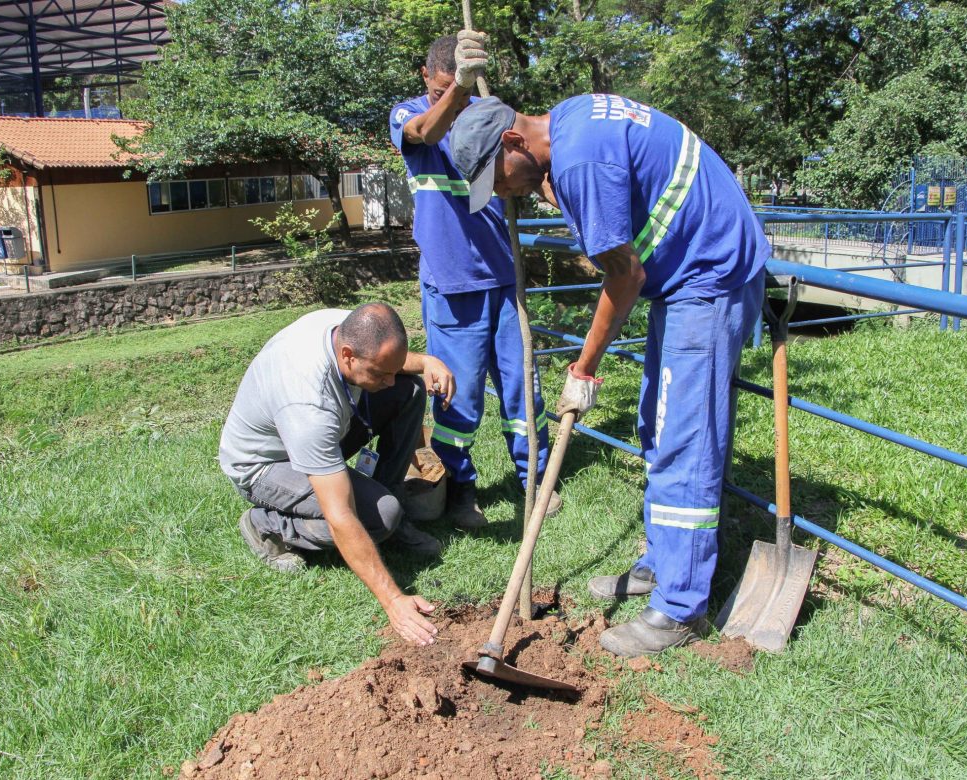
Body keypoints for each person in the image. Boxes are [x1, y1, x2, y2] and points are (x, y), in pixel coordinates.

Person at [450, 94, 769, 657]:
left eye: (497, 181)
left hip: (708, 274)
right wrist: (541, 186)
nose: (502, 194)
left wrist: (583, 369)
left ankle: (680, 607)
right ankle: (663, 563)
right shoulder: (568, 124)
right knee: (657, 421)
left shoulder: (580, 165)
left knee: (683, 439)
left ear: (511, 142)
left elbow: (624, 278)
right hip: (687, 272)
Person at [389, 32, 560, 529]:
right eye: (441, 88)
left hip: (505, 281)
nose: (450, 98)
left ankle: (536, 478)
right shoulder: (409, 116)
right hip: (451, 285)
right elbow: (424, 131)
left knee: (521, 387)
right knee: (457, 395)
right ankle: (461, 491)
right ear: (427, 78)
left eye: (456, 88)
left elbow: (532, 170)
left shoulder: (486, 116)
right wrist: (458, 90)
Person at [218, 302, 456, 646]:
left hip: (324, 430)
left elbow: (389, 361)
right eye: (380, 373)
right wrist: (394, 601)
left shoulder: (343, 327)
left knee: (410, 390)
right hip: (268, 465)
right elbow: (340, 514)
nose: (388, 380)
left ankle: (391, 506)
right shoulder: (308, 403)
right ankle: (268, 525)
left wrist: (427, 362)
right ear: (348, 356)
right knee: (380, 517)